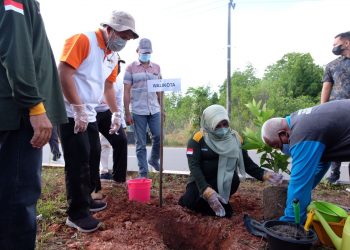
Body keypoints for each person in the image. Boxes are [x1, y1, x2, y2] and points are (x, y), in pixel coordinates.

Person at [58, 10, 138, 233]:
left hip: (90, 112)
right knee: (78, 161)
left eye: (128, 38)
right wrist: (77, 107)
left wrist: (116, 113)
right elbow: (63, 72)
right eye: (123, 35)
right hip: (70, 111)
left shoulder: (112, 56)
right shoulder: (84, 40)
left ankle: (86, 200)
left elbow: (109, 86)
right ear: (110, 29)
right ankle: (76, 213)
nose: (124, 41)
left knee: (92, 155)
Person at [0, 0, 67, 249]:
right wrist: (36, 107)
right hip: (19, 115)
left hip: (15, 112)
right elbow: (16, 51)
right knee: (19, 198)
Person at [178, 105, 283, 218]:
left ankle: (217, 200)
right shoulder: (197, 139)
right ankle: (203, 199)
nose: (222, 128)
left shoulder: (235, 138)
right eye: (217, 125)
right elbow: (194, 167)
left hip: (223, 182)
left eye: (225, 124)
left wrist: (265, 175)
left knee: (228, 208)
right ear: (208, 124)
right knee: (190, 203)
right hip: (200, 182)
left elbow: (247, 164)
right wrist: (206, 190)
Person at [261, 99, 350, 223]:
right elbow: (321, 163)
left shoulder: (302, 134)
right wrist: (302, 191)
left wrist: (290, 221)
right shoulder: (298, 122)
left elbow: (299, 182)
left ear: (283, 134)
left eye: (278, 146)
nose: (282, 150)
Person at [124, 38, 162, 178]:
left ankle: (153, 159)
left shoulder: (156, 68)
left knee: (158, 136)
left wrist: (162, 108)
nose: (146, 54)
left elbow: (159, 89)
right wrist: (127, 112)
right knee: (140, 143)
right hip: (138, 111)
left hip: (154, 109)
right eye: (143, 52)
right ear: (137, 51)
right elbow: (126, 90)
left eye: (148, 52)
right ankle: (143, 174)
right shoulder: (130, 68)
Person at [320, 31, 350, 184]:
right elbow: (326, 88)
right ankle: (334, 175)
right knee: (336, 141)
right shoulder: (332, 65)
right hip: (337, 111)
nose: (333, 47)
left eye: (335, 44)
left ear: (346, 43)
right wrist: (321, 111)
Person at [95, 61, 128, 191]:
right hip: (88, 111)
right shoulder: (95, 75)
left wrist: (119, 121)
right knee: (93, 147)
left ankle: (119, 180)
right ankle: (92, 185)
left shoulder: (119, 82)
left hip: (106, 112)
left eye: (118, 65)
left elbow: (118, 103)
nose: (116, 67)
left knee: (121, 140)